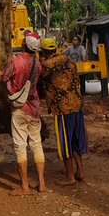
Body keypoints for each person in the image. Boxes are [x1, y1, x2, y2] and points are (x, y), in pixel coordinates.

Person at [0, 33, 47, 195]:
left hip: (19, 110)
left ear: (24, 45)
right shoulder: (38, 64)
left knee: (20, 147)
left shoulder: (15, 62)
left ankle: (25, 187)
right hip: (34, 109)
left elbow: (3, 77)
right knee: (37, 145)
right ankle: (42, 184)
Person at [40, 37, 88, 186]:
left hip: (62, 109)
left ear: (43, 52)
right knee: (75, 139)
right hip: (77, 106)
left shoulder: (47, 65)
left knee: (65, 142)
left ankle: (70, 177)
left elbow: (38, 80)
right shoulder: (68, 61)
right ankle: (80, 171)